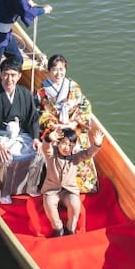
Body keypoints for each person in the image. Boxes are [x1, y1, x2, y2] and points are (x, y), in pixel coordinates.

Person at [0, 58, 44, 202]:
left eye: (13, 75)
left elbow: (33, 119)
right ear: (0, 74)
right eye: (6, 74)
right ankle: (3, 190)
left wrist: (36, 138)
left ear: (18, 76)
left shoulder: (24, 94)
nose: (9, 79)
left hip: (20, 136)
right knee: (4, 157)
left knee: (39, 154)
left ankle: (30, 186)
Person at [36, 54, 98, 193]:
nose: (58, 73)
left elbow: (84, 106)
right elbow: (42, 113)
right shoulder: (43, 90)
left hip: (73, 127)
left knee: (78, 149)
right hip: (55, 129)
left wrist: (73, 124)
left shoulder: (74, 87)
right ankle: (56, 185)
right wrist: (55, 126)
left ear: (66, 69)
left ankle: (84, 185)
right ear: (49, 71)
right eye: (54, 69)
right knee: (52, 150)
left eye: (61, 69)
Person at [41, 126, 104, 236]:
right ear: (58, 143)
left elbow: (88, 153)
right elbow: (46, 148)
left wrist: (97, 145)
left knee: (75, 204)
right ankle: (58, 228)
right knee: (49, 204)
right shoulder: (52, 154)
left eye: (70, 145)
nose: (67, 148)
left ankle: (71, 228)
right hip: (52, 190)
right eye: (64, 143)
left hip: (69, 191)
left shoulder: (75, 156)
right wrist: (48, 139)